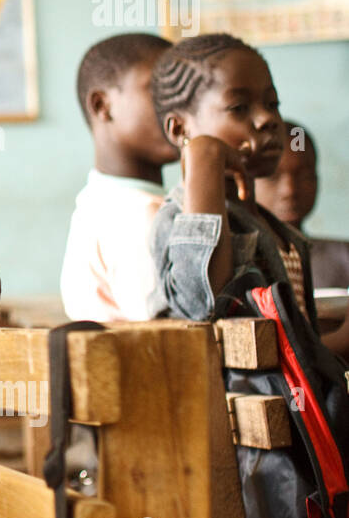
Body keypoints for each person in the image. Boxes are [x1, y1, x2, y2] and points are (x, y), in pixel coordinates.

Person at [147, 34, 349, 354]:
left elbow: (295, 347)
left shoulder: (272, 224)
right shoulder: (176, 217)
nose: (268, 120)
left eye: (272, 105)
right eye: (239, 108)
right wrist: (203, 159)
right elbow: (203, 308)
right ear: (180, 130)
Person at [60, 33, 179, 321]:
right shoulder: (133, 213)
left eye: (183, 92)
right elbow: (167, 331)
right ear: (103, 106)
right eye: (159, 92)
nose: (179, 107)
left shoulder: (102, 201)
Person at [255, 121, 349, 290]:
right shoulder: (233, 263)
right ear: (246, 182)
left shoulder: (344, 258)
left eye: (304, 175)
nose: (289, 190)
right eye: (272, 177)